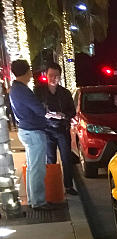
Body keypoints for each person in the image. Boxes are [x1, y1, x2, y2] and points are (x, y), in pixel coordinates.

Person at [9, 59, 52, 210]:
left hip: (26, 130)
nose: (30, 75)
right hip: (33, 131)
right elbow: (39, 110)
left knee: (33, 168)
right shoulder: (22, 90)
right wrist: (44, 108)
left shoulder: (15, 88)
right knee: (37, 169)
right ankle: (38, 202)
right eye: (29, 72)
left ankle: (35, 200)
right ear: (27, 72)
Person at [35, 63, 77, 195]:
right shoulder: (39, 91)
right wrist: (43, 114)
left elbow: (72, 111)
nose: (53, 78)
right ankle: (52, 187)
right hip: (47, 129)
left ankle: (68, 186)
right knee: (50, 159)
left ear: (60, 76)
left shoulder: (65, 93)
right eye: (51, 75)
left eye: (56, 76)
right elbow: (34, 108)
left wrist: (63, 115)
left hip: (62, 129)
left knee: (66, 158)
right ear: (46, 75)